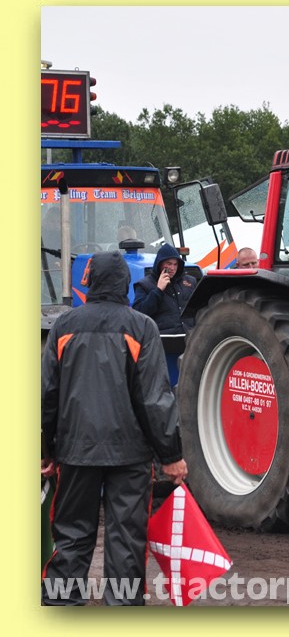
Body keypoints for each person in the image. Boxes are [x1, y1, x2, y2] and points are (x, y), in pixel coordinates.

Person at [41, 251, 187, 605]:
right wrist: (171, 456)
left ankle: (60, 608)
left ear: (89, 281)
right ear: (125, 283)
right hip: (130, 456)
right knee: (126, 539)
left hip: (76, 452)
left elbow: (47, 395)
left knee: (71, 535)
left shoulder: (63, 326)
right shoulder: (141, 327)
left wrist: (45, 451)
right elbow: (155, 398)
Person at [133, 243, 197, 334]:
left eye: (175, 264)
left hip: (190, 336)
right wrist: (158, 290)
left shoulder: (190, 281)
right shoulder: (145, 284)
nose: (172, 268)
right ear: (160, 264)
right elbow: (138, 314)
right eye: (169, 264)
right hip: (163, 338)